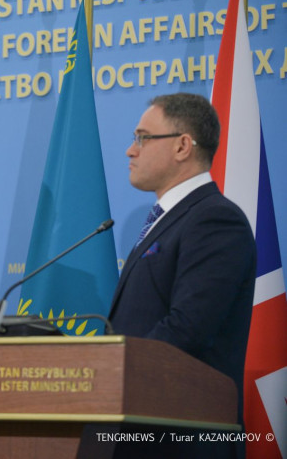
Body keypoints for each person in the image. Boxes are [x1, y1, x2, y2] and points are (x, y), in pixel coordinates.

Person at [108, 93, 256, 457]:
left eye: (142, 137)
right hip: (140, 428)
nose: (130, 150)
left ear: (182, 146)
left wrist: (108, 373)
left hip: (183, 439)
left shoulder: (215, 219)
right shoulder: (167, 219)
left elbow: (188, 328)